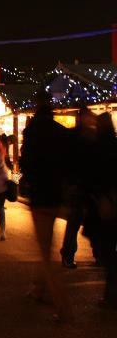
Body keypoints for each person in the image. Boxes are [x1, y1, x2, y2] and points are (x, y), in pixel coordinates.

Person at [19, 91, 73, 322]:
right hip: (58, 194)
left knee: (45, 250)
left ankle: (63, 308)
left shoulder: (32, 132)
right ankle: (38, 288)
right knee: (45, 244)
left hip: (41, 196)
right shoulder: (60, 131)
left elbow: (26, 163)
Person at [60, 108, 96, 269]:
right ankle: (70, 253)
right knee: (77, 220)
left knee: (76, 221)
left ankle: (69, 254)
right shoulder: (88, 137)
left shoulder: (72, 136)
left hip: (79, 184)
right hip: (82, 185)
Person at [90, 112, 117, 309]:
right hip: (110, 201)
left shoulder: (98, 146)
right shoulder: (113, 144)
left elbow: (96, 176)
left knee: (106, 249)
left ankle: (111, 295)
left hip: (104, 204)